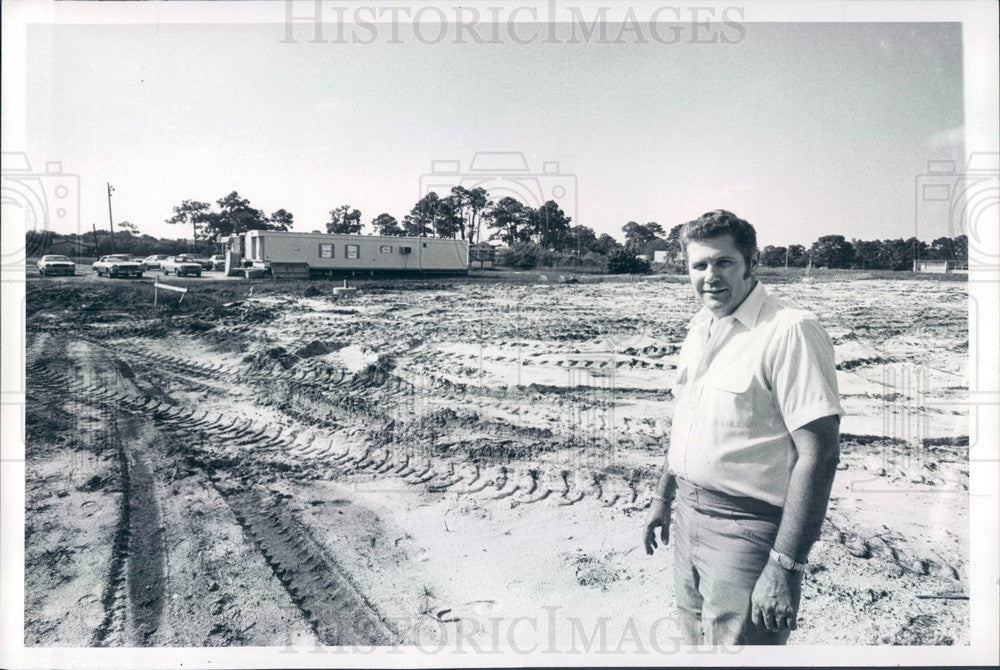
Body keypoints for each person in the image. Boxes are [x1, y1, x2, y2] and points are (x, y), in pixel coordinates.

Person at [643, 210, 843, 646]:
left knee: (741, 651)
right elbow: (686, 424)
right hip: (688, 518)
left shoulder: (789, 331)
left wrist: (785, 565)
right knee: (697, 643)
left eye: (724, 262)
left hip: (747, 529)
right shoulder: (701, 327)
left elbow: (820, 454)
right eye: (699, 265)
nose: (710, 276)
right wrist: (664, 497)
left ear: (752, 262)